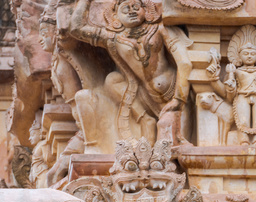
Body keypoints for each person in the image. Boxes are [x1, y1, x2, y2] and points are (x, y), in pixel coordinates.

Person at [68, 0, 191, 143]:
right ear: (115, 15)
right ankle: (144, 117)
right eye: (126, 9)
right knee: (112, 80)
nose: (132, 11)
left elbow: (184, 63)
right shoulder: (113, 38)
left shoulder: (159, 29)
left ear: (146, 10)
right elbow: (76, 28)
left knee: (174, 147)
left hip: (174, 95)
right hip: (146, 98)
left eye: (136, 7)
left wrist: (178, 99)